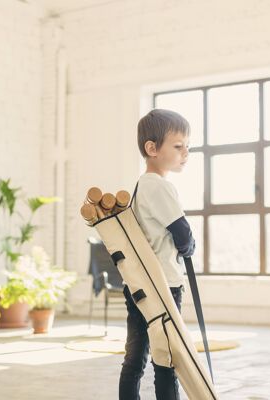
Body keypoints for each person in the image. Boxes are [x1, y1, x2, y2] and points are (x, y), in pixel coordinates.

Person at [119, 109, 196, 400]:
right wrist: (189, 248)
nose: (185, 152)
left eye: (187, 145)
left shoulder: (141, 186)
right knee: (166, 357)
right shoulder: (160, 186)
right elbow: (183, 234)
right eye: (178, 146)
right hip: (164, 285)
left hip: (139, 284)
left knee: (135, 356)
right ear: (152, 148)